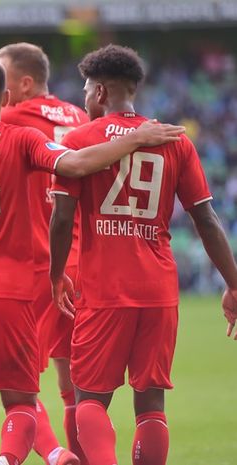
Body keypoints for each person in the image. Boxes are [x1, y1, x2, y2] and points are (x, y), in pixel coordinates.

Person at [0, 56, 184, 465]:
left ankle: (31, 457)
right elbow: (75, 163)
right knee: (29, 398)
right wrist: (136, 137)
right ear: (6, 96)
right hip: (20, 286)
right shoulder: (26, 137)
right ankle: (21, 458)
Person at [49, 44, 237, 465]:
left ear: (99, 92)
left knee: (90, 399)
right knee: (151, 403)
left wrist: (56, 273)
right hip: (159, 289)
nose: (83, 98)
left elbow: (61, 220)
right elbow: (206, 219)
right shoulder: (174, 141)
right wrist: (233, 284)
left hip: (104, 290)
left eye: (85, 90)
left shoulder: (80, 141)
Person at [0, 42, 88, 465]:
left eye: (2, 78)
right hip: (85, 259)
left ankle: (52, 453)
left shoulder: (9, 121)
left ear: (25, 82)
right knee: (75, 386)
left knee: (17, 383)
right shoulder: (81, 117)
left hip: (39, 263)